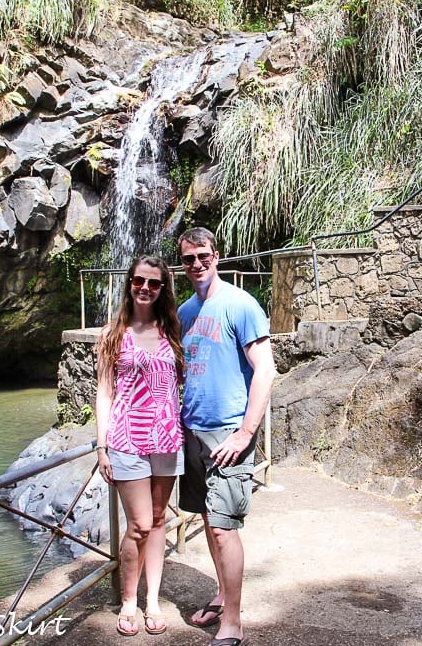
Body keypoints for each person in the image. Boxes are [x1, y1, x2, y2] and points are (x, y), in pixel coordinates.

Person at [177, 227, 276, 646]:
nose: (197, 264)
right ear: (181, 264)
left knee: (223, 528)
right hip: (192, 429)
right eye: (188, 259)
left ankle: (233, 622)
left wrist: (245, 432)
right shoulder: (184, 313)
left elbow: (266, 370)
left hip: (229, 432)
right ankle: (221, 594)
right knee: (204, 516)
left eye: (203, 256)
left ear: (217, 256)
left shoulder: (240, 304)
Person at [95, 255, 184, 637]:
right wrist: (102, 446)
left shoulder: (173, 329)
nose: (145, 288)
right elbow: (103, 392)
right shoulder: (111, 334)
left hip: (167, 438)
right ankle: (129, 599)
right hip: (127, 440)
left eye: (153, 283)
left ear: (163, 289)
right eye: (138, 281)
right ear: (128, 283)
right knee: (139, 525)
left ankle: (153, 600)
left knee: (161, 519)